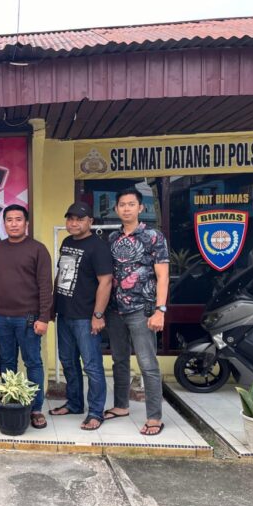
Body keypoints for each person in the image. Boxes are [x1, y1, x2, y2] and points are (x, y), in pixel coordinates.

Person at [104, 187, 170, 436]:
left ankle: (154, 417)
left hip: (142, 309)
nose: (126, 209)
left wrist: (160, 310)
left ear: (141, 208)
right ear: (116, 209)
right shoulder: (113, 238)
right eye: (122, 204)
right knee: (119, 360)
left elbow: (163, 276)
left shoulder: (153, 236)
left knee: (147, 363)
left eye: (131, 204)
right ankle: (121, 406)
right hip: (115, 310)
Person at [0, 204, 53, 429]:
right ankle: (9, 402)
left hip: (29, 318)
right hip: (1, 317)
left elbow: (45, 286)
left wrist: (44, 317)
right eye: (9, 220)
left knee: (33, 362)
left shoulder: (38, 249)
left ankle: (35, 409)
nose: (13, 224)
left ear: (26, 223)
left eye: (18, 219)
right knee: (7, 362)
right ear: (4, 224)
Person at [49, 202, 113, 431]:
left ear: (90, 222)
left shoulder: (98, 247)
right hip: (64, 313)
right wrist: (53, 305)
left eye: (79, 219)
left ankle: (95, 412)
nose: (74, 223)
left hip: (86, 316)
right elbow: (61, 274)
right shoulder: (67, 242)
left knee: (92, 365)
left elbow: (106, 281)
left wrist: (98, 315)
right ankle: (74, 403)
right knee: (68, 361)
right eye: (70, 219)